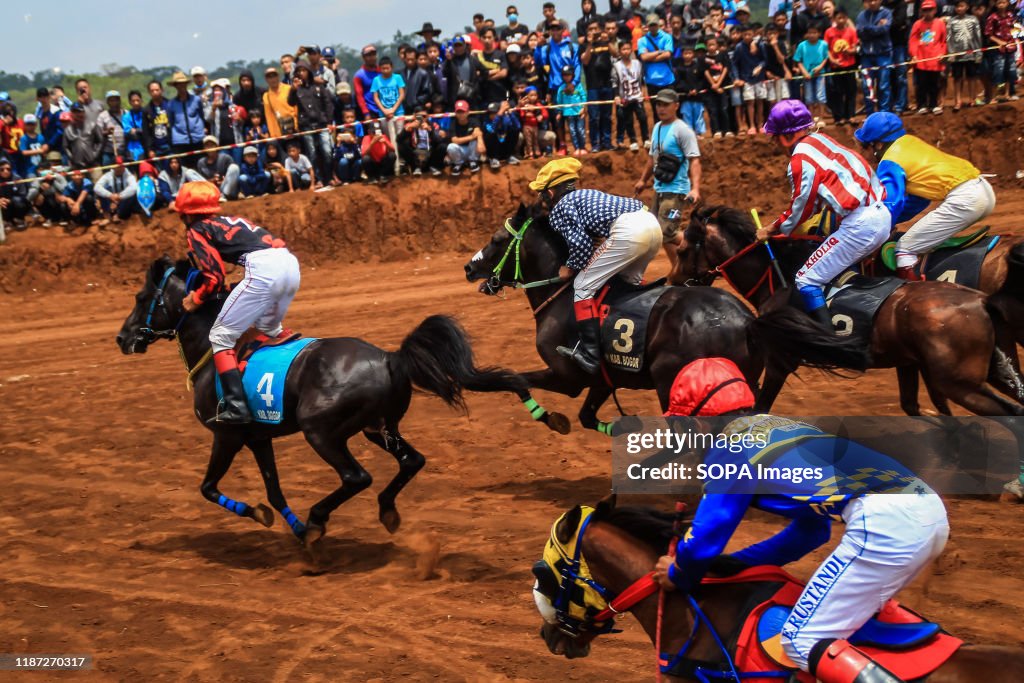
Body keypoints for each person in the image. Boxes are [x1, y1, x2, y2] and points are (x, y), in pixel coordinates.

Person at [652, 356, 948, 683]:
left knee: (800, 641)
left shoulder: (732, 445)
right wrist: (735, 566)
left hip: (888, 524)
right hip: (927, 511)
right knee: (846, 617)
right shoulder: (780, 428)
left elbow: (709, 532)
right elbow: (810, 532)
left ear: (696, 424)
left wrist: (679, 572)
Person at [176, 181, 300, 425]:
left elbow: (214, 277)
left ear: (185, 214)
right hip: (289, 264)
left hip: (264, 270)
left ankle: (237, 406)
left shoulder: (196, 230)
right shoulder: (228, 221)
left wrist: (196, 298)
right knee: (265, 329)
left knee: (220, 336)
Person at [758, 100, 889, 329]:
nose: (775, 142)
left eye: (776, 135)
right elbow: (818, 200)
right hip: (880, 214)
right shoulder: (824, 140)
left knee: (805, 279)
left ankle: (829, 340)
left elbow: (801, 206)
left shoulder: (800, 159)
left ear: (787, 135)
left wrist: (772, 228)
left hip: (859, 225)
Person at [529, 158, 662, 374]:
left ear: (551, 193)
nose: (541, 198)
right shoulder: (585, 194)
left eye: (541, 193)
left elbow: (580, 244)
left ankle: (590, 355)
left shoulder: (560, 208)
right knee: (627, 282)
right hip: (652, 225)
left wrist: (569, 268)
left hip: (629, 232)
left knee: (582, 286)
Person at [854, 112, 996, 281]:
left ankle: (913, 297)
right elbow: (918, 200)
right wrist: (891, 221)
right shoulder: (911, 143)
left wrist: (875, 226)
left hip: (966, 199)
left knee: (905, 248)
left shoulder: (890, 160)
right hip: (984, 190)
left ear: (877, 145)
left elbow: (891, 203)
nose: (866, 152)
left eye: (866, 146)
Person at [635, 89, 701, 269]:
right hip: (660, 188)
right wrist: (643, 180)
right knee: (657, 232)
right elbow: (652, 158)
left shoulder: (683, 130)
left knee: (666, 232)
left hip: (676, 190)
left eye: (665, 105)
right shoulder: (657, 128)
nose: (661, 108)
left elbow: (694, 160)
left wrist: (695, 188)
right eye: (658, 104)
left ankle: (699, 247)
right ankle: (677, 268)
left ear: (676, 106)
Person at [288, 61, 334, 188]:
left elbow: (328, 104)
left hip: (322, 124)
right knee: (312, 153)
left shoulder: (318, 86)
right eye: (299, 71)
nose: (302, 73)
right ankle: (318, 180)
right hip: (306, 125)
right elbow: (290, 103)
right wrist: (293, 89)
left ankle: (329, 178)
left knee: (327, 151)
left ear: (308, 71)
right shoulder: (296, 88)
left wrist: (330, 121)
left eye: (304, 70)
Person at [581, 19, 616, 151]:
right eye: (590, 29)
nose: (593, 32)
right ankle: (595, 144)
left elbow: (615, 53)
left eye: (595, 29)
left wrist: (607, 41)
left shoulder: (606, 43)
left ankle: (606, 142)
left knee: (606, 116)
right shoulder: (584, 45)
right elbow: (585, 60)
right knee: (594, 116)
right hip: (592, 86)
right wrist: (590, 44)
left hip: (607, 84)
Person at [856, 0, 894, 114]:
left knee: (883, 85)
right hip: (866, 55)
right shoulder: (862, 15)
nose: (872, 3)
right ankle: (870, 115)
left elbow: (885, 29)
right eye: (869, 0)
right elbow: (859, 32)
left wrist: (868, 29)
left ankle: (884, 113)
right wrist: (876, 28)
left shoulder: (886, 13)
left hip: (883, 54)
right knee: (867, 87)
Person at [612, 39, 649, 150]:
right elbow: (614, 82)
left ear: (631, 50)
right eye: (623, 49)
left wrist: (643, 91)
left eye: (628, 49)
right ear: (619, 51)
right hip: (625, 98)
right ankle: (633, 140)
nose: (626, 51)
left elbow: (641, 79)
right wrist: (617, 95)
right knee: (628, 120)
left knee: (642, 117)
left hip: (637, 96)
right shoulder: (616, 66)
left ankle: (646, 139)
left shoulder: (637, 63)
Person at [946, 0, 982, 111]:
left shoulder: (973, 19)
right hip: (957, 55)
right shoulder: (951, 21)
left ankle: (972, 98)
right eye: (957, 6)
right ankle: (958, 100)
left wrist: (978, 53)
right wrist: (951, 53)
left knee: (971, 77)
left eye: (962, 6)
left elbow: (977, 36)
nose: (959, 8)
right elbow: (949, 38)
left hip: (971, 53)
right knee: (957, 78)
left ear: (967, 7)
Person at [824, 8, 859, 125]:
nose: (841, 20)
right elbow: (826, 49)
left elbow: (855, 47)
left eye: (844, 17)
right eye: (839, 18)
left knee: (851, 91)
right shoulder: (829, 32)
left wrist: (849, 51)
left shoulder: (851, 31)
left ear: (846, 18)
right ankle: (839, 118)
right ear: (834, 19)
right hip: (836, 66)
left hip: (849, 64)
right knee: (837, 92)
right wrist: (833, 60)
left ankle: (851, 116)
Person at [165, 71, 207, 167]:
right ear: (175, 86)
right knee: (185, 168)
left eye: (183, 84)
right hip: (180, 141)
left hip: (197, 139)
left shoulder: (196, 100)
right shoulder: (171, 104)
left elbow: (201, 116)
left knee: (200, 165)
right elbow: (171, 122)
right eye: (179, 85)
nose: (181, 87)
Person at [732, 24, 767, 135]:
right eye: (745, 34)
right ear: (742, 35)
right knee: (750, 102)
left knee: (760, 101)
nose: (747, 37)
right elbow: (734, 64)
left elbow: (765, 60)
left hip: (759, 78)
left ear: (753, 34)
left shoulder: (760, 45)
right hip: (746, 78)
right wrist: (737, 78)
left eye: (749, 34)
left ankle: (760, 124)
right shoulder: (739, 47)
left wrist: (760, 67)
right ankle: (751, 125)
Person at [794, 25, 830, 120]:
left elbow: (826, 58)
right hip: (807, 75)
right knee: (809, 97)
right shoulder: (802, 45)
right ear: (806, 34)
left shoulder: (823, 44)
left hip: (820, 73)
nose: (812, 35)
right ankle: (811, 118)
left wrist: (820, 67)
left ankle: (821, 117)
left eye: (814, 33)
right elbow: (798, 60)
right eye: (810, 33)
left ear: (819, 33)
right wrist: (804, 72)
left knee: (821, 95)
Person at [984, 0, 1017, 102]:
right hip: (998, 50)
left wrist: (1015, 37)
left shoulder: (1010, 15)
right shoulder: (992, 17)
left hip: (1010, 48)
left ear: (1007, 3)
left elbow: (1013, 29)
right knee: (997, 71)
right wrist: (999, 42)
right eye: (999, 3)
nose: (1001, 5)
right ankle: (993, 97)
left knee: (1010, 70)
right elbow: (988, 34)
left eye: (1003, 2)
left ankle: (1007, 94)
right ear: (995, 4)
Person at [638, 14, 677, 96]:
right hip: (651, 81)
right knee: (656, 107)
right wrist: (659, 52)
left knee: (670, 107)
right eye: (651, 25)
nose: (653, 27)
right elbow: (643, 57)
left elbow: (667, 54)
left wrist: (649, 56)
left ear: (658, 24)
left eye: (654, 25)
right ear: (647, 26)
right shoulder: (642, 40)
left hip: (667, 80)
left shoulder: (667, 37)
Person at [673, 45, 706, 137]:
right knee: (687, 115)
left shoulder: (697, 67)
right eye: (685, 53)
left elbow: (701, 80)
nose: (687, 55)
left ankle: (699, 132)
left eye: (690, 53)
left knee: (698, 115)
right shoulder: (679, 69)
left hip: (697, 97)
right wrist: (688, 90)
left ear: (693, 54)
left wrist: (697, 89)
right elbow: (678, 83)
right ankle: (690, 133)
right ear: (682, 55)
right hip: (685, 97)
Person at [702, 37, 733, 137]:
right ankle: (716, 131)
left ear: (717, 45)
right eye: (709, 45)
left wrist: (719, 84)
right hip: (710, 89)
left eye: (713, 45)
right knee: (713, 110)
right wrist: (714, 85)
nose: (711, 47)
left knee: (724, 109)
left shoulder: (723, 55)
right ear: (706, 46)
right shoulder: (703, 58)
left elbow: (725, 69)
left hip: (722, 87)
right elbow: (705, 72)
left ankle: (727, 129)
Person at [555, 66, 588, 155]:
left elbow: (584, 97)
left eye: (568, 75)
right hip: (568, 113)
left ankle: (583, 147)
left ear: (573, 75)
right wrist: (559, 112)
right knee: (572, 130)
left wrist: (583, 108)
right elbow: (559, 101)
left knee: (580, 129)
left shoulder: (578, 86)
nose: (566, 77)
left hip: (579, 112)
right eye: (564, 75)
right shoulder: (561, 88)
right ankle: (576, 148)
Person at [94, 157, 138, 222]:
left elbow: (134, 187)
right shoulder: (108, 175)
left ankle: (118, 215)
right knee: (104, 189)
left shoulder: (129, 175)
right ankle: (107, 215)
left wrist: (120, 197)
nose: (120, 168)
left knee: (131, 194)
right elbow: (96, 187)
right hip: (112, 200)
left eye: (122, 166)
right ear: (113, 167)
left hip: (123, 200)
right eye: (118, 166)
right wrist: (110, 195)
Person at [445, 100, 484, 175]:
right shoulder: (453, 123)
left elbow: (478, 132)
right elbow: (454, 140)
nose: (461, 114)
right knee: (451, 146)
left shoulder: (474, 121)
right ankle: (458, 164)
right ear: (455, 113)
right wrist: (471, 136)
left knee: (475, 141)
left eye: (463, 111)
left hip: (472, 149)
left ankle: (473, 162)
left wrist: (480, 142)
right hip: (460, 150)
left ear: (468, 112)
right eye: (458, 112)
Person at [62, 102, 103, 172]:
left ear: (84, 112)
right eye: (75, 112)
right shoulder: (68, 130)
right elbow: (65, 146)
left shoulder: (93, 125)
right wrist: (72, 158)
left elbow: (100, 141)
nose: (78, 114)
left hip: (92, 164)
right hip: (77, 166)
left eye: (80, 111)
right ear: (71, 114)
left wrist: (95, 155)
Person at [197, 135, 240, 200]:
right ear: (204, 148)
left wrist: (223, 180)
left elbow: (233, 176)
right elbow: (200, 181)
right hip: (210, 189)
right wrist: (212, 181)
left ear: (217, 147)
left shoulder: (225, 158)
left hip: (225, 188)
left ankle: (223, 195)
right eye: (207, 146)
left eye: (212, 145)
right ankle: (213, 196)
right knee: (189, 172)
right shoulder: (201, 162)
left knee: (234, 167)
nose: (210, 148)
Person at [262, 67, 298, 140]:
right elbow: (269, 117)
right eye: (269, 77)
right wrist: (273, 136)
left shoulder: (289, 89)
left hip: (294, 130)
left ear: (278, 76)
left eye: (274, 76)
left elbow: (296, 109)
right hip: (280, 134)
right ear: (266, 79)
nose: (272, 79)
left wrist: (296, 126)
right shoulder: (266, 96)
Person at [483, 102, 522, 168]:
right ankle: (493, 159)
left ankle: (509, 156)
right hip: (492, 150)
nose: (492, 115)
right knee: (492, 134)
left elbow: (517, 127)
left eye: (494, 112)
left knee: (514, 131)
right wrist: (498, 115)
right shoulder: (486, 121)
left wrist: (511, 114)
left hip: (503, 146)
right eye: (490, 113)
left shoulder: (505, 119)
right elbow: (492, 130)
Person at [144, 81, 172, 163]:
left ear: (162, 90)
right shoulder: (147, 110)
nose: (155, 92)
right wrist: (149, 149)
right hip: (156, 148)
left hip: (170, 145)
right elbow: (146, 132)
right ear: (149, 92)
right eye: (152, 91)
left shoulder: (170, 104)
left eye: (157, 90)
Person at [96, 91, 126, 167]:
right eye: (111, 101)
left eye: (116, 100)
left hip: (124, 151)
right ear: (108, 102)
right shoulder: (102, 116)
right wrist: (107, 132)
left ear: (119, 101)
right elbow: (97, 133)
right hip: (108, 152)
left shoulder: (126, 114)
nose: (114, 103)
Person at [0, 159, 31, 229]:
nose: (5, 171)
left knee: (17, 200)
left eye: (8, 169)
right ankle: (7, 221)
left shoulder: (17, 178)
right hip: (4, 205)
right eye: (2, 169)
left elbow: (23, 195)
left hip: (17, 204)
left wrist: (10, 200)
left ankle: (20, 219)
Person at [354, 45, 382, 120]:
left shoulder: (382, 71)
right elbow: (359, 95)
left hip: (384, 109)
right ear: (364, 58)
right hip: (370, 111)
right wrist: (366, 113)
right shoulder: (359, 75)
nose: (372, 57)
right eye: (369, 55)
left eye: (373, 55)